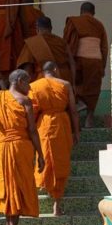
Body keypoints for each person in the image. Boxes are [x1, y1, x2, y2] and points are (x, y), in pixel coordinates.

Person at [0, 69, 45, 225]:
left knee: (8, 190)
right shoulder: (24, 100)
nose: (29, 87)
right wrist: (41, 155)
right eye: (27, 82)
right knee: (16, 190)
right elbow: (32, 131)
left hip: (0, 148)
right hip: (19, 147)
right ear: (18, 81)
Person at [30, 61, 79, 216]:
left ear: (43, 72)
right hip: (62, 124)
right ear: (56, 70)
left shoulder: (34, 86)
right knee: (60, 161)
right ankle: (57, 203)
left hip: (43, 125)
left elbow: (31, 112)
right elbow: (73, 110)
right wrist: (76, 131)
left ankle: (45, 186)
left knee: (45, 157)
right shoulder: (65, 84)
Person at [63, 2, 108, 128]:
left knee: (76, 85)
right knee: (93, 90)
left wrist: (68, 61)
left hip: (78, 60)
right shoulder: (99, 25)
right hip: (95, 60)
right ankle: (89, 118)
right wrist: (102, 66)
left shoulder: (74, 22)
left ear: (81, 11)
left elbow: (67, 41)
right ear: (93, 13)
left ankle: (78, 107)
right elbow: (104, 47)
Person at [16, 16, 76, 85]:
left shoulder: (32, 42)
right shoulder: (62, 41)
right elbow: (72, 63)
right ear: (51, 28)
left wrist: (27, 86)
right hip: (64, 78)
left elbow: (27, 68)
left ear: (37, 29)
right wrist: (73, 83)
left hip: (44, 80)